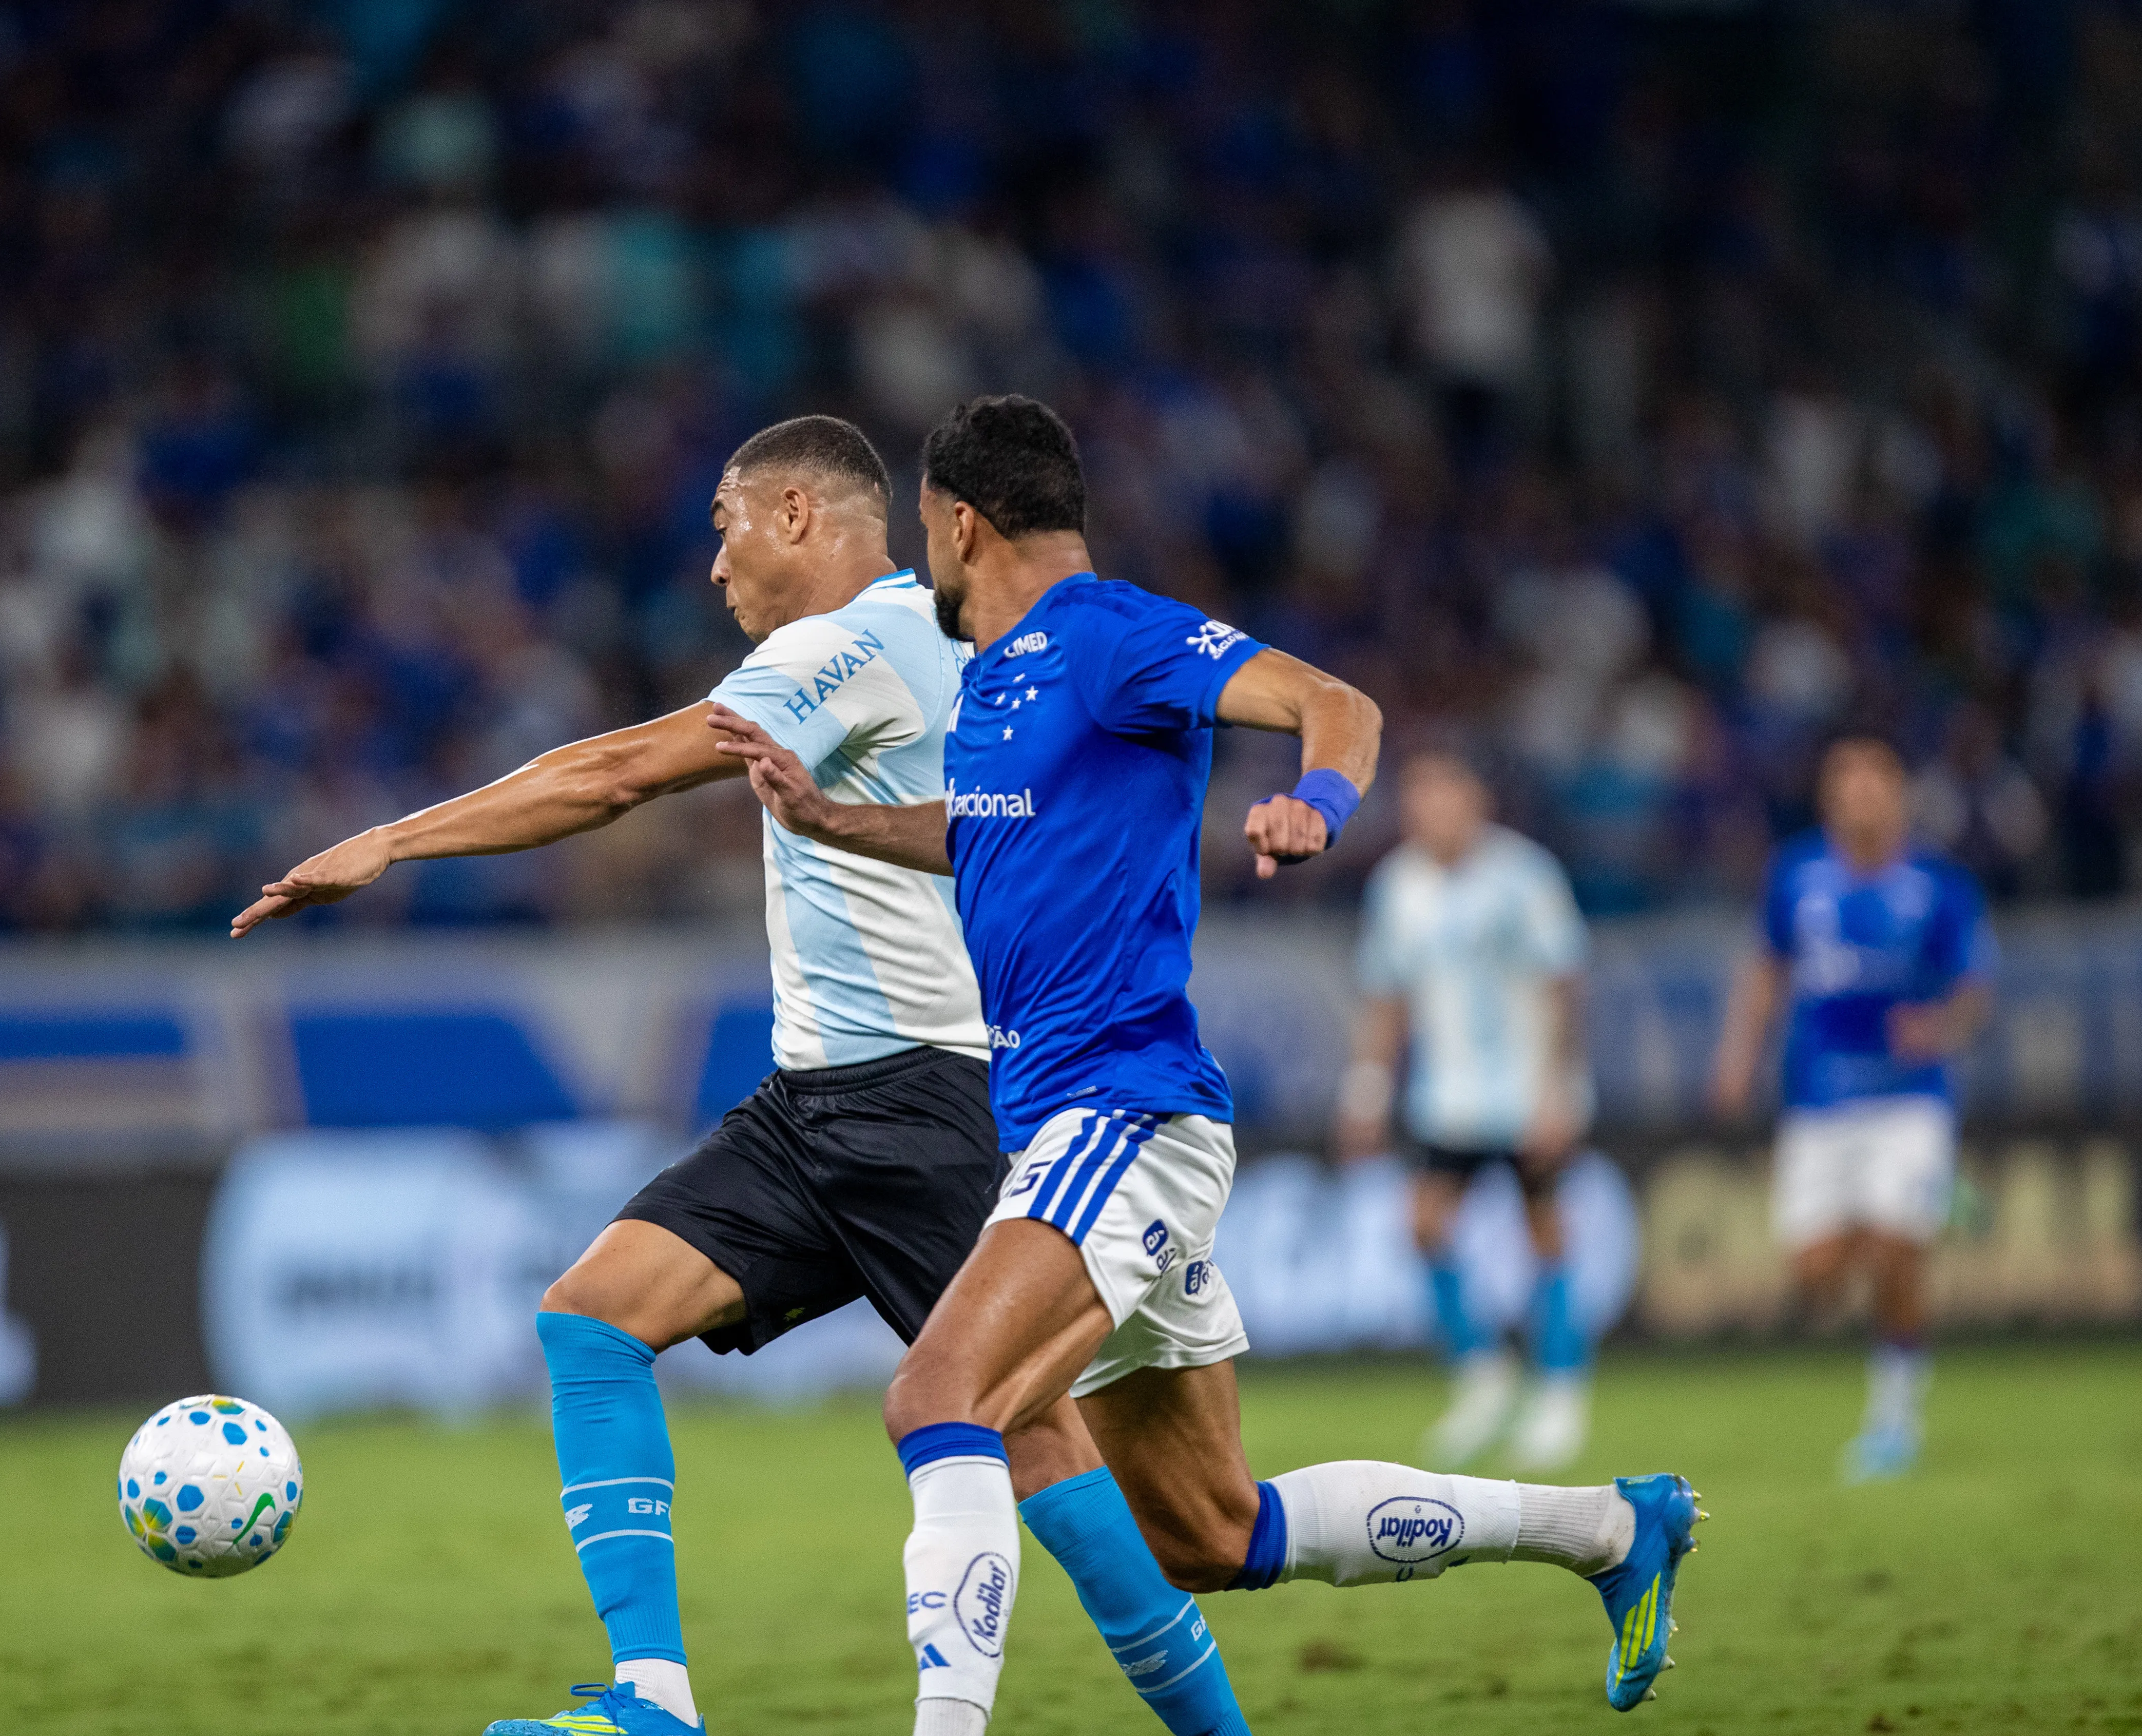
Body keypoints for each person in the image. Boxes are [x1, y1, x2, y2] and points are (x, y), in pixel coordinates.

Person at [231, 415, 1255, 1736]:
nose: (713, 568)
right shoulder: (943, 643)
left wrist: (392, 839)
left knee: (1039, 1436)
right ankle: (652, 1699)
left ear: (791, 514)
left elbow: (610, 775)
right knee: (591, 1317)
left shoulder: (852, 643)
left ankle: (1217, 1725)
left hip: (924, 1103)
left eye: (722, 529)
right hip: (815, 1100)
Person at [717, 395, 1701, 1734]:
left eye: (921, 531)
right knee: (1213, 1528)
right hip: (1072, 1129)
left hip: (1121, 1115)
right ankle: (1608, 1524)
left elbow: (1332, 702)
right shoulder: (1002, 678)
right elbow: (989, 829)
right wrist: (832, 815)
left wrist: (1323, 801)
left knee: (938, 1397)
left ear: (959, 522)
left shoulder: (1108, 634)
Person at [1709, 736, 1995, 1482]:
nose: (1861, 796)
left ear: (1897, 793)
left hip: (1909, 1099)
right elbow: (1768, 969)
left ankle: (1895, 1412)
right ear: (1831, 797)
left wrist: (1939, 1027)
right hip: (1819, 1100)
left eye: (1875, 782)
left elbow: (1973, 988)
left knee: (1897, 1249)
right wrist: (1739, 1056)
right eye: (1847, 783)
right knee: (1817, 1276)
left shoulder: (1938, 884)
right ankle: (1943, 1202)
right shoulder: (1796, 874)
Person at [1337, 748, 1597, 1471]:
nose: (1429, 812)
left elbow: (1564, 986)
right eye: (1418, 799)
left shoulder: (1525, 876)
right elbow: (1385, 996)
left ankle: (1560, 1393)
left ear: (1475, 799)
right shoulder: (1398, 885)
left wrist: (1559, 1091)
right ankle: (1483, 1374)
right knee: (1424, 1227)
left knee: (1545, 1232)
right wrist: (1367, 1086)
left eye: (1442, 796)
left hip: (1526, 1091)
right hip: (1448, 1096)